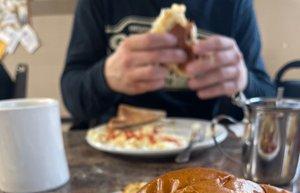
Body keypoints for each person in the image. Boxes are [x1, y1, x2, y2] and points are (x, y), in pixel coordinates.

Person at [61, 0, 275, 126]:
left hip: (206, 150)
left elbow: (267, 98)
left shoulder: (234, 5)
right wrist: (104, 77)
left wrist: (242, 80)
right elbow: (72, 96)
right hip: (119, 143)